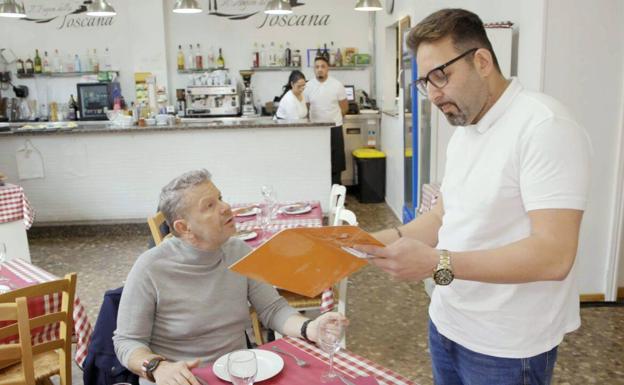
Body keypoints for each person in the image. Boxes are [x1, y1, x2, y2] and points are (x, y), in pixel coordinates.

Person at [355, 8, 591, 385]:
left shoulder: (545, 126)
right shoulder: (467, 130)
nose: (433, 94)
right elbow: (441, 219)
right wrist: (361, 244)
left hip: (507, 347)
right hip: (447, 323)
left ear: (481, 61)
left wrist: (436, 263)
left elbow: (554, 255)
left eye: (440, 76)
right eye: (424, 82)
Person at [113, 169, 345, 385]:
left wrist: (309, 328)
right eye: (210, 205)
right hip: (182, 380)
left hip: (237, 374)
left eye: (220, 198)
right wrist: (156, 366)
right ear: (184, 227)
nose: (225, 207)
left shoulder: (238, 251)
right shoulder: (151, 268)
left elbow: (273, 309)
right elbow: (126, 342)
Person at [304, 56, 349, 185]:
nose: (320, 70)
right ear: (314, 69)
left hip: (334, 128)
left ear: (327, 68)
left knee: (336, 161)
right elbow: (306, 108)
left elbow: (344, 107)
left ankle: (336, 193)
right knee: (317, 160)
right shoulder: (308, 86)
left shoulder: (337, 85)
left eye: (323, 66)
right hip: (316, 129)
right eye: (317, 67)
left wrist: (333, 119)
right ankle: (319, 189)